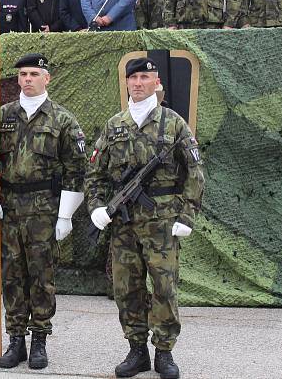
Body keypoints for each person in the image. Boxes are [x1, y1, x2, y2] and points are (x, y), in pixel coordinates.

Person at [86, 58, 204, 379]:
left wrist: (187, 215)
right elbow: (95, 174)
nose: (138, 83)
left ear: (157, 82)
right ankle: (137, 349)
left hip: (163, 222)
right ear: (126, 83)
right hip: (123, 225)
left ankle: (164, 352)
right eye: (133, 78)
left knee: (165, 286)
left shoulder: (174, 124)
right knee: (127, 287)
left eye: (145, 77)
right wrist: (97, 206)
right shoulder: (114, 126)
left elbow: (196, 173)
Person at [0, 53, 87, 370]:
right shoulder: (2, 116)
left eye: (33, 74)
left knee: (41, 276)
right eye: (23, 74)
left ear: (47, 78)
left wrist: (66, 214)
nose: (27, 79)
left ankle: (39, 339)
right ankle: (16, 341)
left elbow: (76, 170)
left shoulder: (62, 120)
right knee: (11, 276)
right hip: (9, 205)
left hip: (43, 207)